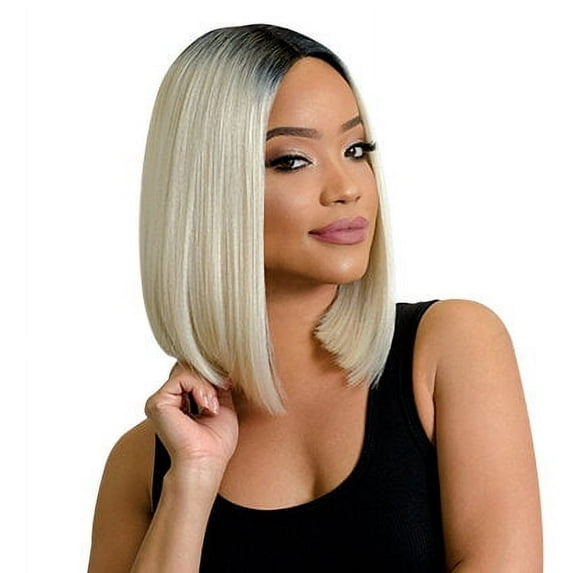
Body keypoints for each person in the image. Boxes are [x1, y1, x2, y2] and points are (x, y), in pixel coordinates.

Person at [88, 24, 543, 572]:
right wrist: (192, 479)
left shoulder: (451, 348)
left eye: (356, 149)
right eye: (292, 160)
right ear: (209, 189)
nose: (347, 186)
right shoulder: (143, 465)